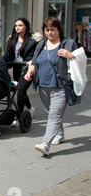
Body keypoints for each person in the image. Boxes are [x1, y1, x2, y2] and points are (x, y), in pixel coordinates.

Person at [24, 17, 77, 156]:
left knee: (54, 116)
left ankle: (45, 144)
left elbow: (79, 60)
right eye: (47, 30)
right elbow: (35, 62)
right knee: (51, 113)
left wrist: (70, 55)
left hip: (60, 86)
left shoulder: (68, 43)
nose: (49, 33)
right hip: (43, 86)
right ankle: (61, 134)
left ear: (59, 29)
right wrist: (30, 71)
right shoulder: (41, 45)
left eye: (52, 29)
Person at [2, 18, 38, 119]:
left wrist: (32, 63)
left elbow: (34, 56)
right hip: (17, 68)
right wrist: (0, 61)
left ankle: (18, 116)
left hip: (28, 69)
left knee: (21, 90)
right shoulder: (12, 40)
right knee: (20, 90)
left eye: (20, 25)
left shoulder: (32, 41)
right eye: (16, 25)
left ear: (26, 26)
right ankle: (30, 108)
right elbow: (8, 55)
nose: (17, 27)